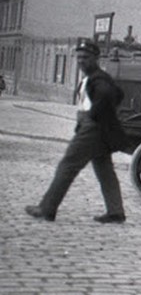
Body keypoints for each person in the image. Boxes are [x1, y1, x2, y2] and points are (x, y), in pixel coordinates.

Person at [25, 39, 128, 223]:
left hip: (92, 129)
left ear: (96, 58)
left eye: (86, 57)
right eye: (79, 57)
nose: (81, 61)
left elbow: (108, 95)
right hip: (98, 129)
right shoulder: (93, 77)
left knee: (67, 165)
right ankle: (116, 211)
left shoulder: (98, 78)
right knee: (105, 170)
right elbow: (118, 94)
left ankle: (47, 208)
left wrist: (93, 115)